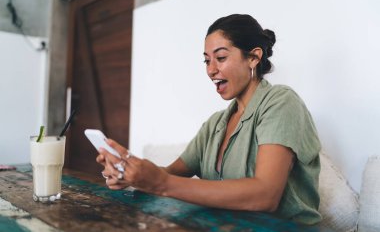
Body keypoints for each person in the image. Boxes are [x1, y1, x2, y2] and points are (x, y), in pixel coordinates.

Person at [97, 14, 322, 225]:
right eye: (207, 61)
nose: (211, 70)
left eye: (221, 58)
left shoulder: (281, 102)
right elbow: (169, 173)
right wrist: (131, 174)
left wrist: (161, 184)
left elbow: (266, 195)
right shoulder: (216, 124)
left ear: (253, 57)